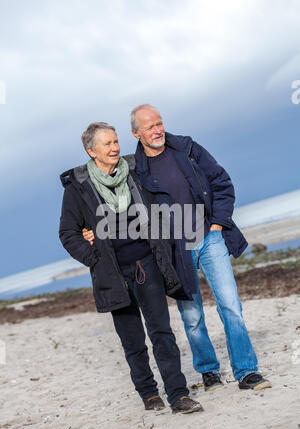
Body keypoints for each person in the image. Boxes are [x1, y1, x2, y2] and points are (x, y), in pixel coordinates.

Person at [83, 106, 271, 392]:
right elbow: (118, 206)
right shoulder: (133, 168)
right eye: (149, 127)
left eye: (159, 123)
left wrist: (218, 223)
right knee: (192, 315)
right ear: (136, 133)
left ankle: (246, 372)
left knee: (230, 305)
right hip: (175, 249)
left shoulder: (187, 148)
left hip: (210, 238)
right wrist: (91, 231)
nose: (157, 130)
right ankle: (209, 372)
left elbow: (221, 182)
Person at [59, 121, 203, 414]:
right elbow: (68, 233)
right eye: (107, 144)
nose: (115, 148)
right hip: (112, 273)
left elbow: (160, 206)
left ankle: (178, 395)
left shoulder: (135, 172)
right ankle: (149, 394)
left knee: (162, 332)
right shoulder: (78, 188)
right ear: (91, 151)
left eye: (115, 142)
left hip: (147, 264)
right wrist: (93, 257)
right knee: (133, 340)